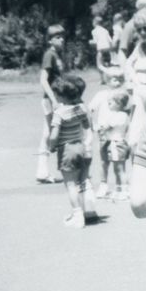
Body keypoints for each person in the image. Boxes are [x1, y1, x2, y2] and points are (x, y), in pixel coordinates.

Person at [48, 73, 98, 229]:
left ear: (61, 96)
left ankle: (77, 216)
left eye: (56, 93)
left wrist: (51, 146)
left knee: (70, 184)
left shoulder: (59, 113)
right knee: (83, 181)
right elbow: (87, 127)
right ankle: (88, 211)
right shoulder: (81, 109)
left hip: (67, 150)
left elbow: (54, 135)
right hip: (80, 147)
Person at [88, 66, 128, 198]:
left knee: (118, 163)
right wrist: (93, 124)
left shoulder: (123, 95)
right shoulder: (102, 95)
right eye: (113, 79)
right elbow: (91, 108)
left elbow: (128, 112)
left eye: (119, 80)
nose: (116, 82)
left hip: (116, 134)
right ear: (107, 80)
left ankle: (120, 187)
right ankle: (103, 185)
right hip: (103, 133)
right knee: (104, 162)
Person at [35, 24, 66, 184]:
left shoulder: (58, 54)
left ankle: (43, 171)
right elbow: (43, 80)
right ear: (50, 40)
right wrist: (53, 100)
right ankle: (44, 171)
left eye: (62, 36)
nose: (61, 40)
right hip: (50, 100)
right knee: (50, 133)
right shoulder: (49, 55)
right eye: (57, 37)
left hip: (57, 98)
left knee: (48, 133)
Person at [124, 10, 146, 147]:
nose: (142, 33)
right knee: (135, 136)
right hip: (141, 93)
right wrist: (135, 80)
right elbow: (128, 65)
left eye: (145, 29)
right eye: (138, 30)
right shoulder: (140, 47)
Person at [98, 89, 133, 201]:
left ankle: (124, 190)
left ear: (118, 104)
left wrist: (98, 128)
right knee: (117, 168)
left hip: (116, 144)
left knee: (119, 169)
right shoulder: (124, 115)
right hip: (119, 142)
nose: (108, 105)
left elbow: (107, 127)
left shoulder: (118, 116)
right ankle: (119, 189)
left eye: (110, 103)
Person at [89, 14, 113, 79]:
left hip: (101, 49)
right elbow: (110, 41)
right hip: (107, 48)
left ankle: (102, 79)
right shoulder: (105, 30)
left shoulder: (94, 31)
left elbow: (95, 41)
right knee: (108, 63)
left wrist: (90, 42)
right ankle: (110, 76)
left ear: (95, 23)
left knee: (99, 64)